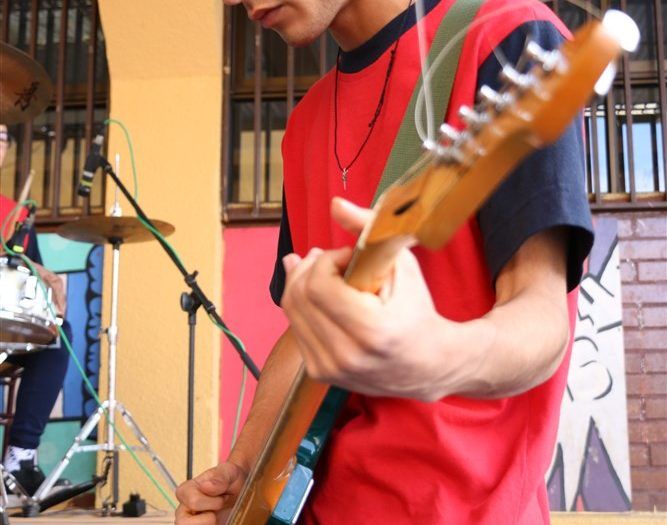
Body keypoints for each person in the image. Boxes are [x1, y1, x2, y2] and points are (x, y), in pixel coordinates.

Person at [176, 0, 595, 523]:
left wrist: (435, 357)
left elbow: (543, 316)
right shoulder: (305, 122)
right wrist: (240, 480)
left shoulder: (504, 36)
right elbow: (306, 337)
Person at [0, 124, 71, 496]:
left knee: (58, 335)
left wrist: (48, 277)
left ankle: (20, 458)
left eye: (2, 138)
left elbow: (28, 272)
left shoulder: (16, 212)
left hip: (3, 326)